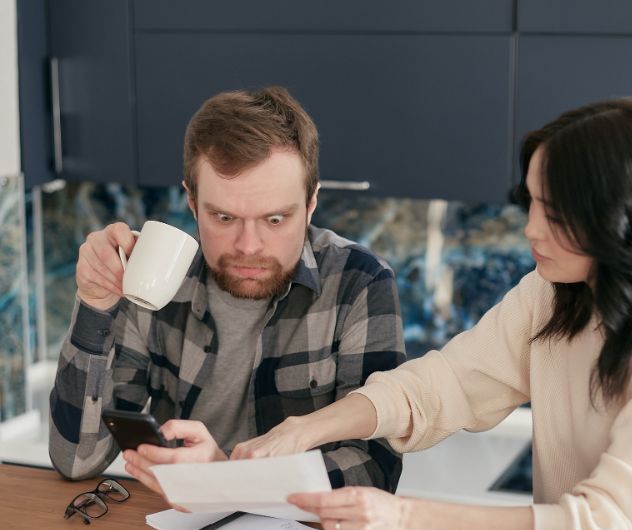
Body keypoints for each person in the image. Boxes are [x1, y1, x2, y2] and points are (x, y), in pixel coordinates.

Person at [126, 97, 632, 530]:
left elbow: (609, 524)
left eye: (554, 214)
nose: (531, 230)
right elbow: (439, 386)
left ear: (621, 218)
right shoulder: (556, 294)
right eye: (529, 203)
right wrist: (306, 429)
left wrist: (401, 516)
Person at [49, 86, 406, 492]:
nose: (248, 246)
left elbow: (374, 474)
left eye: (274, 220)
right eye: (223, 217)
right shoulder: (157, 277)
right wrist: (95, 307)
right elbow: (76, 460)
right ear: (191, 200)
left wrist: (231, 480)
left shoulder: (359, 282)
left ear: (310, 203)